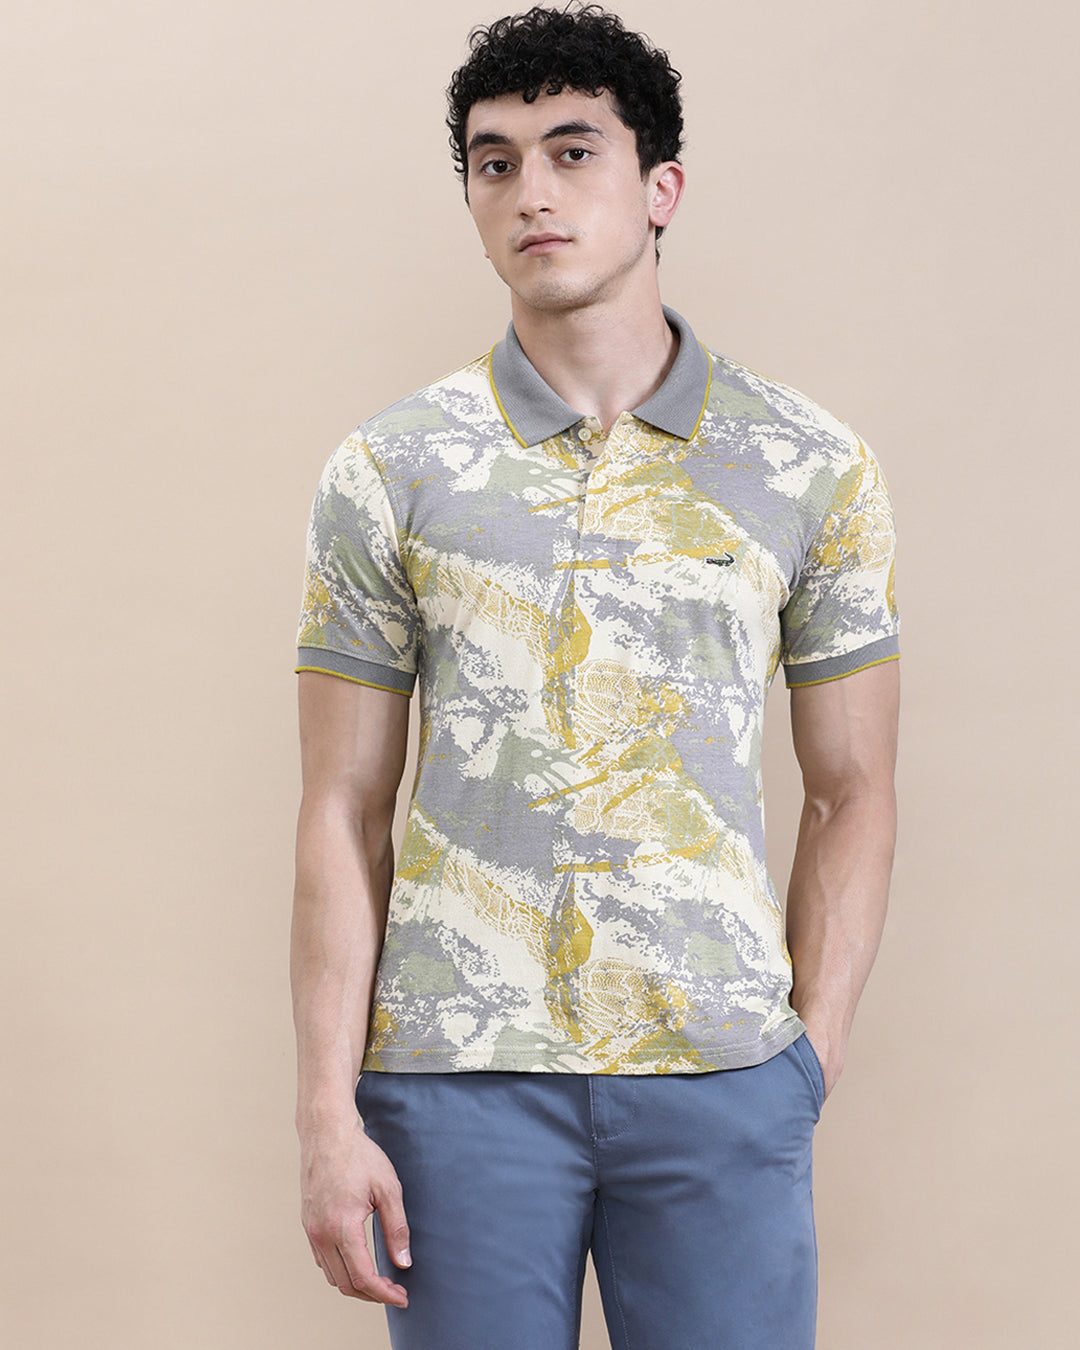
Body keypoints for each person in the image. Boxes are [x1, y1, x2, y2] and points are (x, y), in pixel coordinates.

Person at [290, 5, 900, 1348]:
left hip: (723, 1069)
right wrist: (328, 1111)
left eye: (574, 152)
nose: (532, 191)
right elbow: (341, 804)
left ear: (660, 187)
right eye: (495, 162)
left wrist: (808, 1053)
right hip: (457, 1079)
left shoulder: (809, 464)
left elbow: (852, 788)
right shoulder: (391, 468)